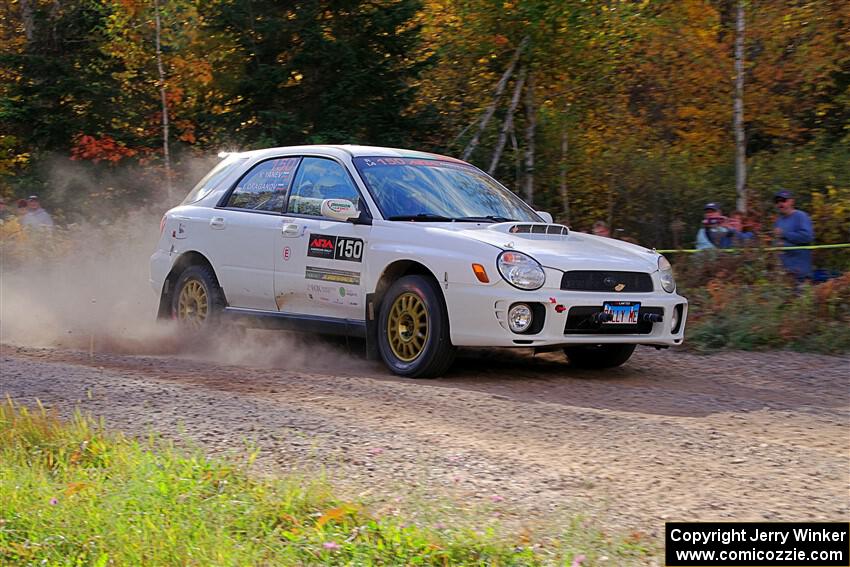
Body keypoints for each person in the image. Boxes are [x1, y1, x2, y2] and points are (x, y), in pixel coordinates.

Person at [773, 189, 813, 280]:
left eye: (783, 200)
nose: (780, 204)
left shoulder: (801, 216)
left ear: (791, 201)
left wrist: (784, 234)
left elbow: (807, 237)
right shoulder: (778, 221)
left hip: (800, 273)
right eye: (777, 201)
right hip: (784, 275)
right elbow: (778, 242)